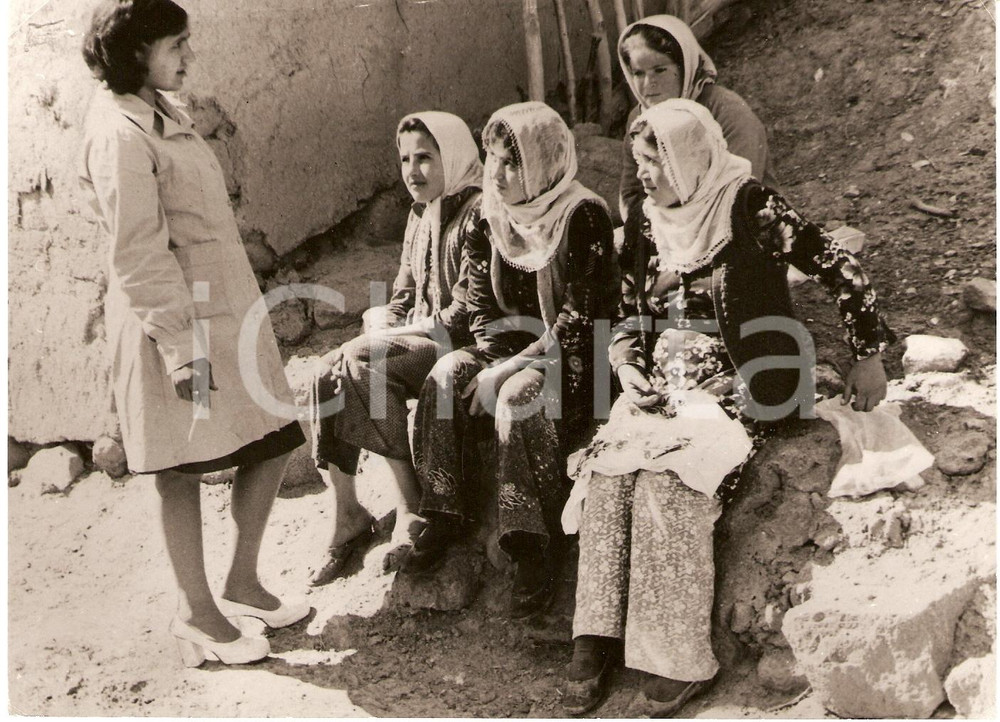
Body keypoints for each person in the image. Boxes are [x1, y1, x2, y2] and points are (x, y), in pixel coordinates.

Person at [560, 99, 893, 716]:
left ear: (689, 158)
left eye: (654, 162)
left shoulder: (749, 206)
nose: (645, 176)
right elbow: (632, 313)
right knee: (607, 477)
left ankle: (678, 660)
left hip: (750, 379)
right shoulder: (644, 221)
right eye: (639, 163)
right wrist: (629, 369)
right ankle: (596, 637)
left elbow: (839, 267)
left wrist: (867, 354)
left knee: (670, 481)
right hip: (667, 387)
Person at [79, 0, 308, 667]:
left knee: (274, 436)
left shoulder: (162, 114)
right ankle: (197, 612)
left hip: (227, 312)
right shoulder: (121, 134)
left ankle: (242, 581)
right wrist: (181, 349)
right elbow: (139, 254)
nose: (189, 55)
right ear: (137, 51)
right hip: (170, 325)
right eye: (177, 44)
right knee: (179, 468)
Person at [404, 102, 616, 618]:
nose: (495, 175)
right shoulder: (492, 217)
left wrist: (505, 371)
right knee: (446, 371)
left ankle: (533, 546)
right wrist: (489, 362)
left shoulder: (583, 215)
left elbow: (579, 322)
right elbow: (481, 312)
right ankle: (444, 510)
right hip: (513, 351)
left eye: (511, 163)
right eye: (490, 159)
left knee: (520, 395)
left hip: (581, 363)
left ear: (542, 164)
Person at [309, 112, 482, 585]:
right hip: (420, 337)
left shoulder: (478, 213)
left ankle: (409, 503)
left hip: (460, 344)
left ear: (455, 154)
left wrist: (388, 335)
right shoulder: (419, 214)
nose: (412, 171)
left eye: (426, 157)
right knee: (327, 370)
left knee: (364, 358)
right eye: (405, 159)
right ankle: (347, 512)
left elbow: (465, 316)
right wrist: (384, 320)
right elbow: (403, 294)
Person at [617, 14, 778, 225]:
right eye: (638, 73)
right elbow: (630, 194)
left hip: (743, 223)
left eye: (660, 70)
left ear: (684, 67)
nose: (648, 84)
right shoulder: (639, 119)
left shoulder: (727, 111)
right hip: (668, 232)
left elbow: (740, 192)